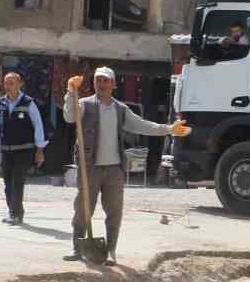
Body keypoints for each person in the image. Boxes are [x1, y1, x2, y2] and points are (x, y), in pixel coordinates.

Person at [63, 67, 191, 264]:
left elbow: (143, 125)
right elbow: (70, 117)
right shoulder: (84, 105)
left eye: (106, 81)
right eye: (98, 80)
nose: (101, 84)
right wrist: (71, 92)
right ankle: (76, 248)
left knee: (114, 211)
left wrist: (169, 130)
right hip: (90, 167)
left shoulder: (120, 109)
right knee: (83, 209)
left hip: (114, 169)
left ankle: (111, 250)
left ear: (113, 85)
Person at [0, 71, 47, 225]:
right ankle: (13, 211)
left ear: (20, 84)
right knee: (7, 183)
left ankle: (16, 214)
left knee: (17, 181)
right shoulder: (0, 104)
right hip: (6, 149)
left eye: (11, 83)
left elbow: (38, 126)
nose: (8, 86)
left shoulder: (28, 103)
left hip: (24, 150)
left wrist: (40, 150)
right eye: (6, 83)